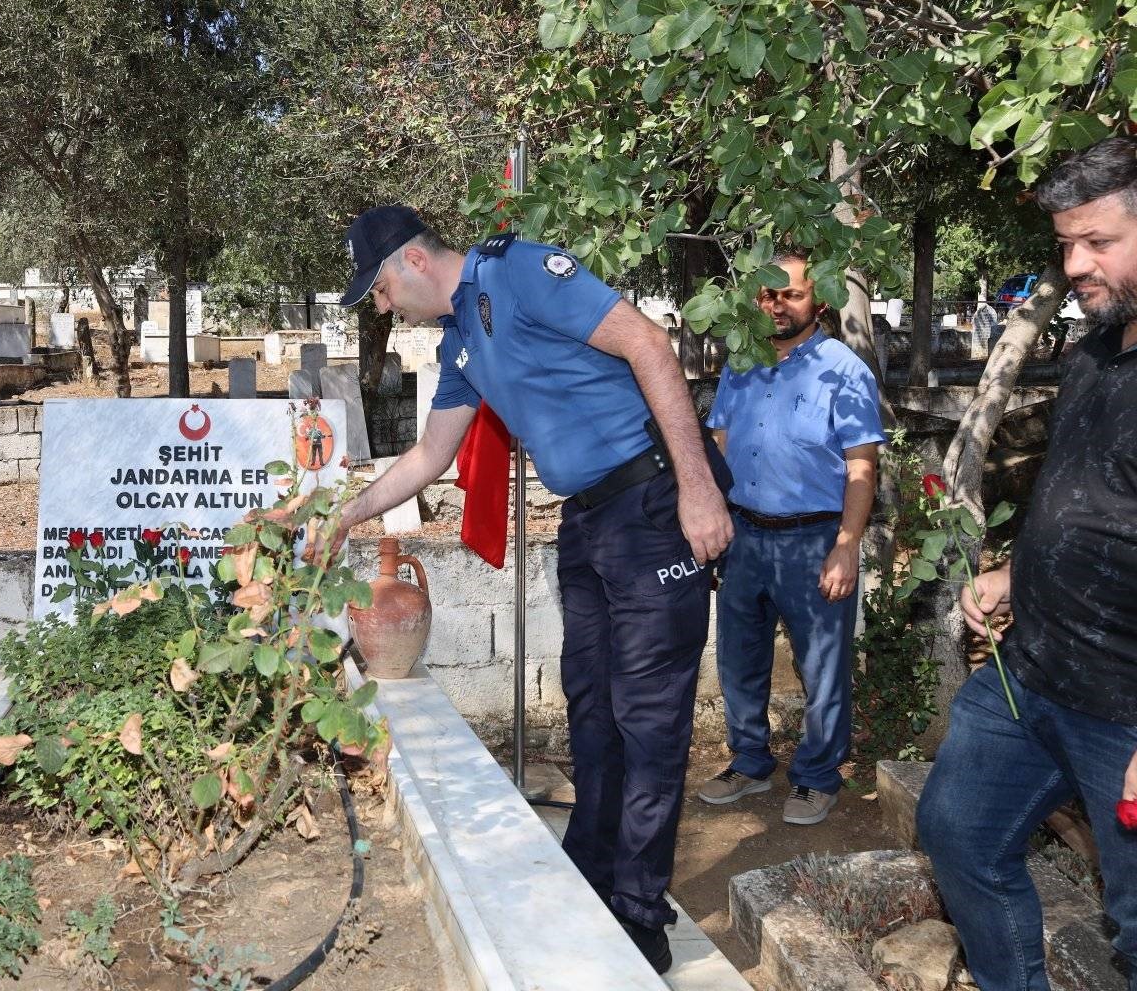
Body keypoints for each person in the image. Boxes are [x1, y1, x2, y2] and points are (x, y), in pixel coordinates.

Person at [327, 205, 732, 973]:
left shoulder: (517, 273)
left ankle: (640, 911)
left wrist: (698, 489)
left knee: (647, 719)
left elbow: (647, 344)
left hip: (652, 507)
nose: (381, 307)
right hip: (587, 523)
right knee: (591, 702)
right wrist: (345, 516)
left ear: (413, 262)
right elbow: (429, 457)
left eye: (377, 289)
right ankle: (592, 873)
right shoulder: (459, 343)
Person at [916, 135, 1137, 991]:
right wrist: (1018, 573)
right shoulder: (1092, 353)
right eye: (1065, 244)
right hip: (1031, 674)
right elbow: (1090, 495)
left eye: (1099, 242)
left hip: (1124, 712)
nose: (1074, 264)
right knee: (962, 838)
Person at [697, 250, 882, 824]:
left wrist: (847, 544)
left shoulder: (843, 370)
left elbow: (861, 467)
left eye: (791, 294)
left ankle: (817, 775)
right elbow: (721, 445)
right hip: (745, 536)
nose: (776, 305)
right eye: (768, 295)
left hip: (814, 540)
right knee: (738, 658)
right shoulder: (741, 363)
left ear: (819, 301)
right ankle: (749, 762)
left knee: (823, 664)